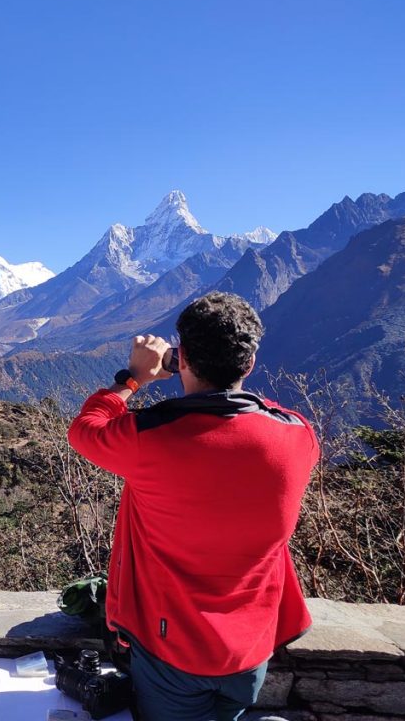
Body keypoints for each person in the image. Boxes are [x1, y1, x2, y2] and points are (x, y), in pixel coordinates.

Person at [67, 292, 318, 721]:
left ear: (182, 358)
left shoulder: (152, 438)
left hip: (172, 648)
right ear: (250, 363)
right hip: (251, 645)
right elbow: (268, 413)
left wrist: (133, 378)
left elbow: (86, 428)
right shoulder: (299, 438)